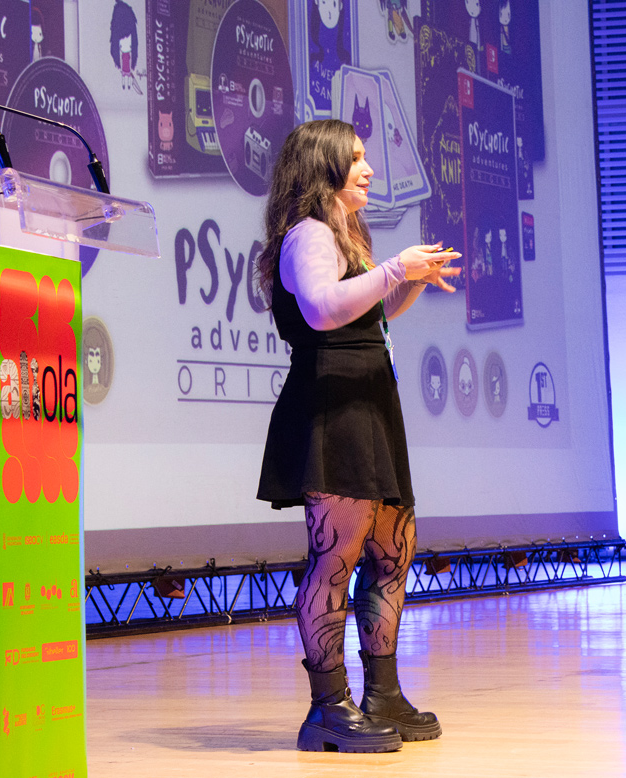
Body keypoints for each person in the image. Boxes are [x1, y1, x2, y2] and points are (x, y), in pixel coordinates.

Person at [256, 119, 461, 753]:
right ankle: (327, 706)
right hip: (333, 404)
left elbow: (367, 311)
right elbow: (323, 308)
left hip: (371, 402)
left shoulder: (345, 231)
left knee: (394, 550)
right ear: (324, 165)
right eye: (356, 158)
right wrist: (396, 267)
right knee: (336, 557)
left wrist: (408, 281)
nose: (369, 169)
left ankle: (383, 693)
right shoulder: (308, 234)